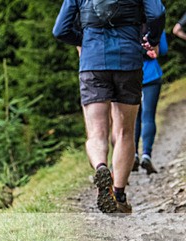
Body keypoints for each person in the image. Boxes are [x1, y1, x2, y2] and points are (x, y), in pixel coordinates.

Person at [53, 0, 165, 214]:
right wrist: (152, 39)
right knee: (125, 132)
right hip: (128, 61)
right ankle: (119, 195)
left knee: (96, 133)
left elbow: (60, 30)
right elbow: (157, 13)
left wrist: (86, 41)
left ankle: (101, 167)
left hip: (92, 63)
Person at [134, 30, 167, 174]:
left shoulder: (125, 22)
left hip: (131, 74)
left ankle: (133, 154)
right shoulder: (155, 24)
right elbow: (163, 50)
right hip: (151, 74)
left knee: (133, 118)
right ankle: (146, 155)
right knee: (148, 116)